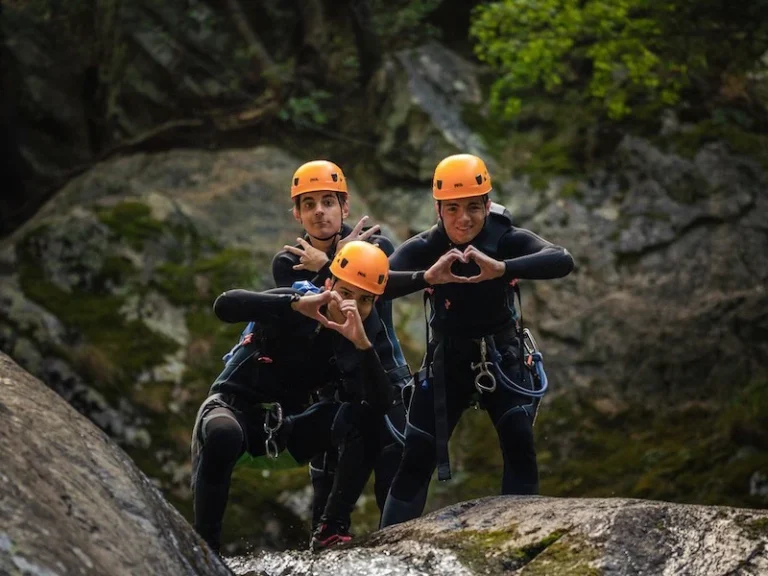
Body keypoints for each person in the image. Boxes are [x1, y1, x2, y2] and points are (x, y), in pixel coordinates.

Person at [379, 153, 575, 527]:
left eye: (473, 207)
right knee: (417, 453)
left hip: (501, 355)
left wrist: (503, 269)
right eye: (452, 209)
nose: (463, 219)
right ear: (438, 210)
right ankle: (383, 552)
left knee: (520, 444)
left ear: (488, 204)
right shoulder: (427, 246)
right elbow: (374, 283)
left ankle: (522, 539)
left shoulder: (504, 239)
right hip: (447, 360)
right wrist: (426, 278)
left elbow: (561, 259)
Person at [191, 241, 395, 552]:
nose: (351, 305)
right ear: (329, 284)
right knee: (223, 434)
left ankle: (331, 527)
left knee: (366, 419)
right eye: (344, 292)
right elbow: (225, 306)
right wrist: (294, 305)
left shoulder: (360, 332)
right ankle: (206, 548)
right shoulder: (296, 300)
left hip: (283, 431)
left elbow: (380, 405)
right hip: (230, 415)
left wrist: (363, 347)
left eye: (364, 300)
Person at [271, 160, 410, 535]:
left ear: (345, 207)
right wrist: (331, 264)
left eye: (329, 202)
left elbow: (367, 304)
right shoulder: (288, 264)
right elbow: (311, 314)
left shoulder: (376, 245)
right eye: (310, 203)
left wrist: (330, 263)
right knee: (325, 483)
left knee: (391, 470)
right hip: (329, 387)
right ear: (298, 214)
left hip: (382, 375)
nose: (320, 211)